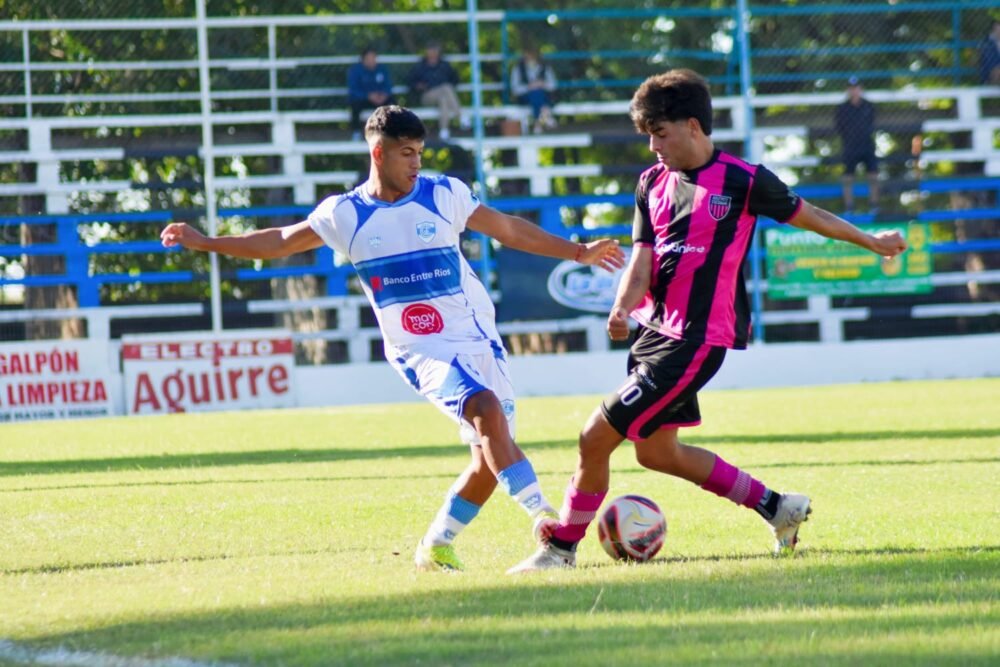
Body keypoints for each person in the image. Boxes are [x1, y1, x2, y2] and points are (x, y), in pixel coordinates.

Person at [160, 105, 626, 572]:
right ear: (378, 153)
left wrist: (578, 251)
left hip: (478, 338)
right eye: (407, 153)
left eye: (420, 152)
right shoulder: (345, 214)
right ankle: (542, 515)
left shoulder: (444, 194)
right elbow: (279, 240)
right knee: (483, 409)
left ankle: (435, 546)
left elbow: (506, 229)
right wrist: (206, 242)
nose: (417, 163)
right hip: (419, 349)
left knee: (489, 459)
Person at [508, 69, 907, 573]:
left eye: (660, 133)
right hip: (654, 333)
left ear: (692, 125)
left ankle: (560, 548)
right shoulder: (651, 182)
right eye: (648, 135)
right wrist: (622, 306)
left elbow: (813, 216)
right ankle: (777, 507)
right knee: (657, 453)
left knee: (594, 437)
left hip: (696, 339)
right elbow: (643, 259)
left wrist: (872, 241)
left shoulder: (744, 180)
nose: (653, 146)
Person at [835, 76, 880, 215]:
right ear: (848, 90)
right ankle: (849, 207)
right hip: (850, 146)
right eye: (851, 88)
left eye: (857, 88)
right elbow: (839, 128)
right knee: (848, 177)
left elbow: (872, 124)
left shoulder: (868, 106)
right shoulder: (842, 108)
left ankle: (874, 206)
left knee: (873, 175)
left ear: (861, 89)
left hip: (867, 145)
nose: (854, 91)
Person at [408, 42, 467, 141]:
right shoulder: (420, 66)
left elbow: (455, 79)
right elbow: (410, 83)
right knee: (446, 88)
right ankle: (460, 117)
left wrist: (448, 85)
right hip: (426, 96)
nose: (432, 53)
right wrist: (419, 86)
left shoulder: (444, 65)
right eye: (430, 50)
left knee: (443, 98)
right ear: (426, 52)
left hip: (443, 96)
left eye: (435, 50)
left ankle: (444, 130)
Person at [347, 47, 396, 141]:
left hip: (380, 98)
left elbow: (388, 85)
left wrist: (384, 95)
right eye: (368, 58)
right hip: (363, 99)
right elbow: (353, 90)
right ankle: (356, 132)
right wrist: (368, 96)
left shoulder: (382, 69)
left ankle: (390, 132)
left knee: (392, 103)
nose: (371, 61)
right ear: (363, 59)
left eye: (373, 58)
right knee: (354, 105)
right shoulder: (355, 70)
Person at [510, 46, 557, 134]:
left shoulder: (545, 68)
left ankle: (537, 124)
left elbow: (553, 85)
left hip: (544, 96)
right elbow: (515, 89)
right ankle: (545, 117)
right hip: (525, 98)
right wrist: (529, 87)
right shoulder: (518, 69)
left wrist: (542, 84)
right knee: (536, 93)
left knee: (538, 93)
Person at [980, 21, 1000, 86]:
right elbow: (990, 62)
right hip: (991, 71)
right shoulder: (987, 42)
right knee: (997, 69)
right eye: (997, 28)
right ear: (993, 28)